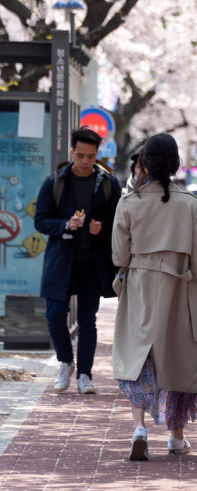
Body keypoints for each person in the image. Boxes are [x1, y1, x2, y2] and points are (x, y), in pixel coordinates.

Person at [112, 133, 197, 461]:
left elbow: (118, 256)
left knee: (139, 357)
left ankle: (139, 428)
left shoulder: (128, 203)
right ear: (175, 164)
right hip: (179, 289)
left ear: (144, 163)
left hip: (139, 288)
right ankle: (176, 436)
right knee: (179, 358)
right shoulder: (191, 205)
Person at [34, 127, 122, 394]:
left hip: (92, 263)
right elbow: (40, 220)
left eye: (91, 156)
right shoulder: (56, 181)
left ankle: (84, 373)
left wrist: (102, 227)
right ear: (72, 152)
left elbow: (119, 221)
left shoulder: (108, 183)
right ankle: (65, 362)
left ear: (97, 155)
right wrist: (64, 224)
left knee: (87, 320)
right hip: (62, 259)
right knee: (55, 314)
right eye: (81, 155)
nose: (85, 161)